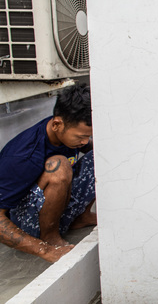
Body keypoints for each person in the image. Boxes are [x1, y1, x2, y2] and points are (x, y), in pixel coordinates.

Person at [0, 85, 96, 262]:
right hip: (27, 222)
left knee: (100, 154)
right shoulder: (22, 156)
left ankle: (80, 218)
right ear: (57, 124)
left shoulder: (64, 128)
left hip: (57, 206)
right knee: (59, 166)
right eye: (80, 137)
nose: (84, 141)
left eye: (87, 136)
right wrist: (45, 251)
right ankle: (49, 238)